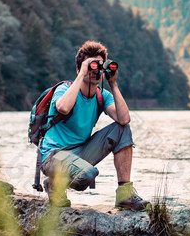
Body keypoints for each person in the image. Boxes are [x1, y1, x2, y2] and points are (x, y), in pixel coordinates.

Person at [40, 40, 151, 211]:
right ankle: (54, 184)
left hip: (80, 151)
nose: (96, 71)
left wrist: (113, 84)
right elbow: (63, 107)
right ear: (80, 69)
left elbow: (124, 119)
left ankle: (125, 194)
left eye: (100, 66)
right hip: (54, 156)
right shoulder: (64, 89)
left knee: (122, 129)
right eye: (92, 66)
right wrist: (81, 74)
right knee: (87, 175)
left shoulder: (102, 95)